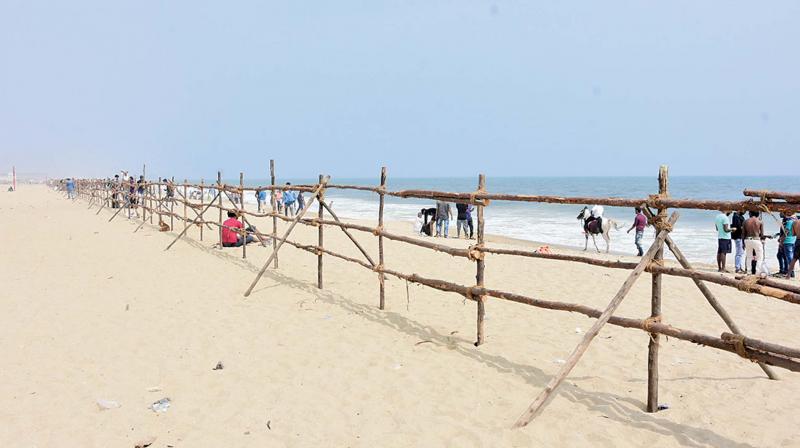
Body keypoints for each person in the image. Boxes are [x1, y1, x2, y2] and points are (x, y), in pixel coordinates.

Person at [743, 210, 764, 276]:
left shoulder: (745, 221)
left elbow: (743, 233)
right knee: (759, 257)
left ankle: (748, 272)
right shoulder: (760, 221)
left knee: (749, 257)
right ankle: (757, 272)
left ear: (751, 214)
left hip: (747, 239)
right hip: (756, 239)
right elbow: (762, 235)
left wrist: (742, 243)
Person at [782, 212, 797, 278]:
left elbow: (786, 232)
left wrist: (781, 240)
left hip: (788, 241)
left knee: (789, 258)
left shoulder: (789, 222)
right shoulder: (796, 221)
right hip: (794, 240)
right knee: (792, 257)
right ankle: (791, 272)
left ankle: (791, 272)